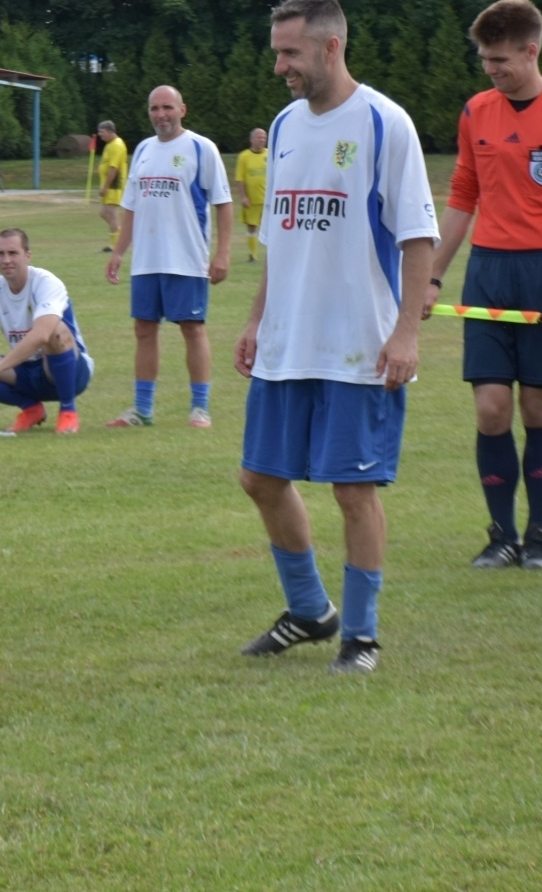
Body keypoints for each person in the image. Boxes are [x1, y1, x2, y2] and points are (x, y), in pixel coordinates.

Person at [233, 0, 438, 674]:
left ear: (330, 48)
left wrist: (406, 333)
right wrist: (259, 320)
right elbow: (280, 237)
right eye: (276, 50)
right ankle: (310, 611)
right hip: (287, 342)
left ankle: (362, 635)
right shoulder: (287, 127)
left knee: (354, 492)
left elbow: (416, 238)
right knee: (261, 478)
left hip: (359, 345)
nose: (278, 66)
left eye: (289, 53)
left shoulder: (385, 122)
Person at [421, 0, 542, 571]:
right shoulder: (476, 111)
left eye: (499, 59)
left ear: (531, 50)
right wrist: (430, 277)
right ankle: (500, 536)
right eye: (483, 59)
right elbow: (460, 200)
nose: (490, 70)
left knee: (538, 407)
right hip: (488, 273)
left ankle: (539, 538)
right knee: (491, 409)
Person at [105, 85, 233, 429]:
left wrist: (222, 253)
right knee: (144, 330)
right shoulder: (144, 149)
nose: (160, 115)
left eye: (167, 108)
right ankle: (143, 410)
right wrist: (119, 252)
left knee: (192, 328)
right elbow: (131, 206)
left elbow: (223, 203)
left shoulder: (201, 148)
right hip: (147, 260)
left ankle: (199, 408)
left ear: (182, 109)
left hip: (187, 259)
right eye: (154, 109)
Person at [0, 228, 94, 436]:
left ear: (27, 255)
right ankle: (31, 409)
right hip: (27, 371)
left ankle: (68, 412)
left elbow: (42, 335)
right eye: (0, 254)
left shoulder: (46, 282)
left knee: (55, 331)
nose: (6, 260)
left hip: (71, 372)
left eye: (13, 253)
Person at [234, 127, 268, 263]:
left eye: (264, 138)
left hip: (268, 200)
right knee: (252, 227)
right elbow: (239, 178)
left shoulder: (270, 155)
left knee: (272, 229)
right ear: (252, 139)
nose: (262, 140)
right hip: (252, 200)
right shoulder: (244, 157)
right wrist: (243, 197)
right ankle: (253, 255)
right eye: (259, 137)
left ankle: (271, 256)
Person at [96, 120, 128, 252]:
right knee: (104, 213)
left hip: (114, 186)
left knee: (111, 214)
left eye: (102, 132)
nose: (100, 135)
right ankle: (117, 240)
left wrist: (106, 187)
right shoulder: (110, 145)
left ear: (110, 131)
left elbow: (113, 168)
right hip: (110, 186)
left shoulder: (117, 145)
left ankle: (118, 245)